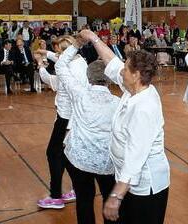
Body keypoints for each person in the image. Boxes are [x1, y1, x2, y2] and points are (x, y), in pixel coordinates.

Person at [79, 29, 170, 224]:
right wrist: (93, 38)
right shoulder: (133, 89)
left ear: (136, 75)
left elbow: (135, 158)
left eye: (126, 69)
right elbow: (112, 63)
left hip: (146, 188)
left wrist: (115, 197)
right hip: (127, 183)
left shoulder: (144, 108)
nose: (122, 71)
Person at [55, 38, 120, 224]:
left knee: (84, 201)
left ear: (88, 76)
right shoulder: (118, 102)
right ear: (109, 80)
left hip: (79, 160)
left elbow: (60, 66)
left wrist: (76, 44)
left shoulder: (80, 94)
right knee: (109, 200)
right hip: (107, 162)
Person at [35, 36, 87, 209]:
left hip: (66, 118)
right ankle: (77, 189)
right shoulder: (81, 62)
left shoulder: (66, 69)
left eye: (58, 51)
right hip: (79, 117)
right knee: (68, 155)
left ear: (65, 52)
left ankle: (56, 196)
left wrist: (40, 64)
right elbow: (60, 57)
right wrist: (46, 52)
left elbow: (50, 80)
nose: (57, 54)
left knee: (53, 154)